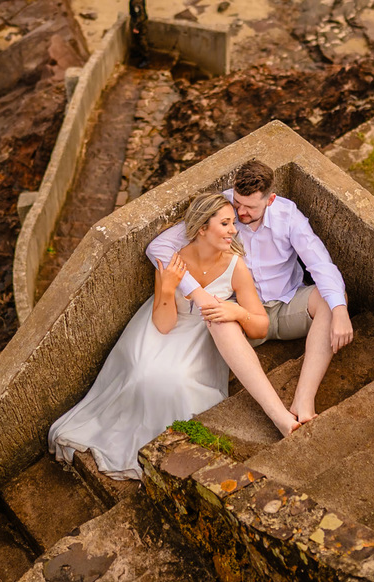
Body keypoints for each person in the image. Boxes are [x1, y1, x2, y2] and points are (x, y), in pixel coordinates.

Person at [49, 192, 299, 481]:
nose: (234, 230)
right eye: (226, 223)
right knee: (142, 373)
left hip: (200, 334)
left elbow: (260, 326)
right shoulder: (171, 260)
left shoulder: (235, 266)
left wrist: (236, 313)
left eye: (233, 223)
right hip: (161, 325)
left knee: (176, 382)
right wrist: (167, 289)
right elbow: (163, 323)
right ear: (202, 229)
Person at [147, 160, 353, 424]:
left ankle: (304, 398)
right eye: (238, 202)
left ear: (270, 200)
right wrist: (197, 292)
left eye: (250, 207)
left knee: (335, 300)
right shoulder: (223, 211)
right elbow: (158, 248)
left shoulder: (288, 216)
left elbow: (320, 263)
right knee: (216, 317)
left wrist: (340, 311)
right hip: (244, 313)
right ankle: (278, 415)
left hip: (289, 303)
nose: (241, 212)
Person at [126, 0, 149, 68]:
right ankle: (140, 53)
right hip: (140, 21)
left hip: (140, 23)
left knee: (142, 40)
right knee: (137, 40)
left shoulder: (136, 0)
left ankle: (146, 58)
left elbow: (140, 15)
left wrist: (136, 26)